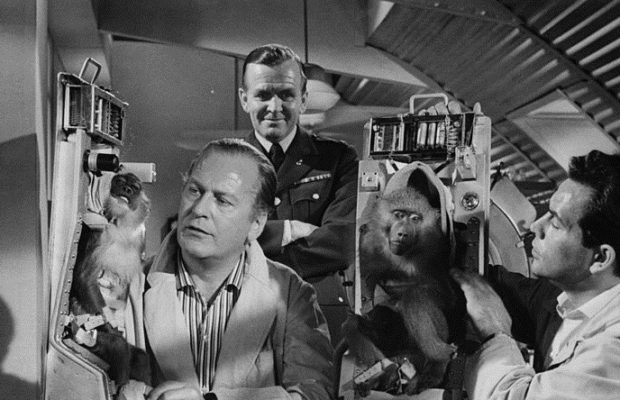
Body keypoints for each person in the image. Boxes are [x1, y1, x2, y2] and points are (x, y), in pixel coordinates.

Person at [144, 138, 335, 400]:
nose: (199, 209)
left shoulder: (291, 294)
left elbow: (314, 393)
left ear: (256, 223)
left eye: (222, 201)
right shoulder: (133, 283)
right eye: (194, 191)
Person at [451, 149, 620, 399]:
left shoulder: (612, 350)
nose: (535, 226)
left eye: (555, 223)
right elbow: (501, 287)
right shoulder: (566, 300)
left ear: (600, 258)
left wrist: (495, 334)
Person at [239, 44, 359, 340]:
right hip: (242, 315)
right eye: (263, 95)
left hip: (319, 316)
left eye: (286, 95)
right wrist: (288, 230)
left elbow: (341, 244)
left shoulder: (338, 159)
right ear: (244, 99)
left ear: (303, 100)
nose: (275, 107)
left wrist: (251, 255)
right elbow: (214, 240)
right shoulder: (224, 162)